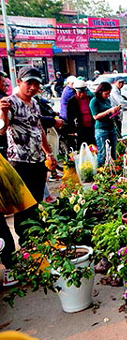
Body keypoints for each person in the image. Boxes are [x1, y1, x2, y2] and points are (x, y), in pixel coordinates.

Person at [0, 67, 57, 284]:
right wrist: (3, 112)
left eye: (35, 84)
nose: (32, 88)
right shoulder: (10, 102)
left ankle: (34, 246)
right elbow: (1, 130)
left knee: (35, 205)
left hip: (37, 163)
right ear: (20, 82)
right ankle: (26, 249)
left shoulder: (34, 103)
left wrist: (48, 153)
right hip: (19, 163)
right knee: (23, 208)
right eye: (28, 84)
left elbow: (39, 128)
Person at [90, 82, 120, 166]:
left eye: (109, 94)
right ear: (100, 91)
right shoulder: (94, 101)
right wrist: (109, 111)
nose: (107, 95)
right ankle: (100, 170)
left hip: (111, 127)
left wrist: (114, 112)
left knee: (113, 151)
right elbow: (95, 116)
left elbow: (109, 114)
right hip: (101, 130)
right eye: (106, 93)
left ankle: (114, 169)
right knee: (102, 153)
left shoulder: (107, 100)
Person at [66, 80, 95, 148]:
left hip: (91, 126)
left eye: (83, 92)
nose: (82, 94)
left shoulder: (90, 99)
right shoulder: (72, 101)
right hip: (80, 128)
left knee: (92, 146)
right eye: (79, 92)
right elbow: (70, 117)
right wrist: (71, 130)